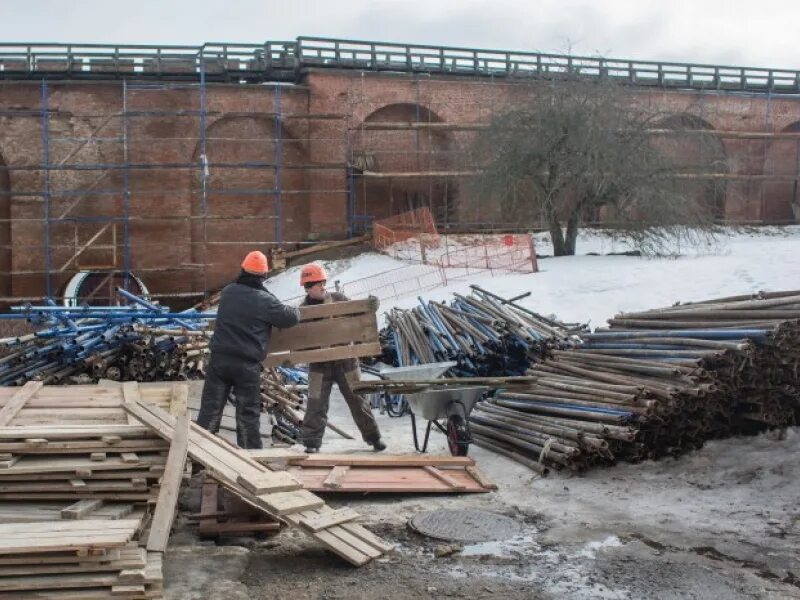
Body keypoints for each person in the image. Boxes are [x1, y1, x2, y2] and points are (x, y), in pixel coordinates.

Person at [196, 250, 300, 449]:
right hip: (246, 366)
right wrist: (296, 309)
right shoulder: (264, 300)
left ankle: (199, 460)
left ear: (243, 270)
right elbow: (290, 318)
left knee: (209, 413)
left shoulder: (228, 292)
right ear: (263, 276)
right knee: (247, 417)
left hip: (219, 362)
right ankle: (250, 462)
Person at [298, 263, 386, 453]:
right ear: (307, 287)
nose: (323, 286)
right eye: (318, 284)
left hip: (346, 362)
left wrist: (371, 305)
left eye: (323, 282)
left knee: (358, 401)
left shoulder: (338, 299)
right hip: (319, 365)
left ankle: (374, 438)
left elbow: (360, 313)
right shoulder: (301, 311)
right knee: (316, 403)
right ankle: (312, 443)